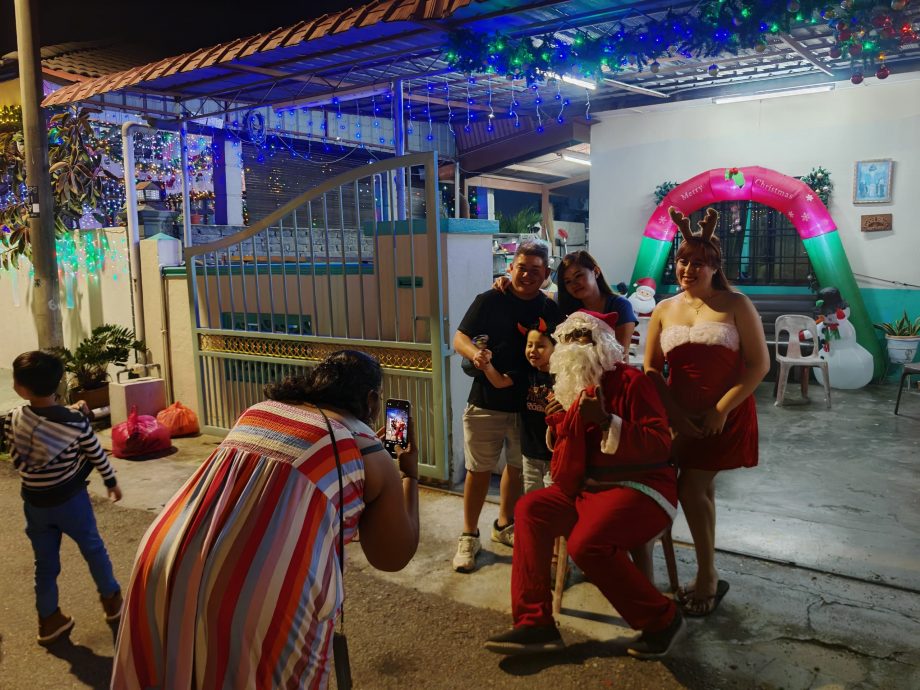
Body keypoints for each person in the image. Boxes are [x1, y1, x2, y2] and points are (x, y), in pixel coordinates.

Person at [111, 350, 420, 690]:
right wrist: (408, 475)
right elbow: (393, 555)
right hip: (260, 594)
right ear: (372, 398)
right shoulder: (365, 450)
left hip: (163, 558)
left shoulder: (258, 412)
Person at [484, 310, 683, 659]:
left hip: (642, 487)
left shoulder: (632, 382)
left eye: (584, 337)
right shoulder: (569, 387)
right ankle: (535, 624)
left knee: (586, 543)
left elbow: (659, 443)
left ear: (604, 344)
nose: (575, 345)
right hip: (587, 489)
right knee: (530, 508)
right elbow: (569, 450)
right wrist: (559, 420)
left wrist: (606, 421)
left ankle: (662, 619)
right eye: (569, 337)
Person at [644, 207, 769, 617]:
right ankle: (706, 569)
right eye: (682, 260)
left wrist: (720, 410)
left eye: (698, 262)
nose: (687, 268)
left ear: (714, 267)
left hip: (725, 414)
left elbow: (759, 365)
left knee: (691, 489)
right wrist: (675, 416)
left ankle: (707, 576)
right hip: (680, 416)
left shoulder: (736, 303)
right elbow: (650, 370)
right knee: (702, 492)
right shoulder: (663, 309)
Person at [0, 351, 123, 645]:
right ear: (59, 384)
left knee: (45, 564)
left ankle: (49, 618)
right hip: (71, 501)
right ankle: (112, 602)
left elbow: (37, 425)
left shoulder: (14, 418)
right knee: (93, 548)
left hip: (35, 504)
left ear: (20, 387)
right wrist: (111, 481)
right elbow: (96, 453)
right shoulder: (75, 423)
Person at [452, 241, 561, 573]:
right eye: (522, 267)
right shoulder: (490, 299)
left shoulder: (550, 309)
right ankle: (469, 535)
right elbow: (459, 338)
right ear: (511, 267)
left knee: (516, 468)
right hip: (486, 400)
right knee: (478, 469)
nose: (527, 274)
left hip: (531, 406)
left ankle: (503, 525)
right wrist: (476, 355)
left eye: (536, 270)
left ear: (546, 275)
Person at [494, 250, 638, 353]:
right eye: (568, 281)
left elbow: (621, 354)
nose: (574, 284)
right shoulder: (565, 303)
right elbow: (534, 291)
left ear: (596, 271)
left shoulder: (620, 305)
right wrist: (510, 283)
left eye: (579, 276)